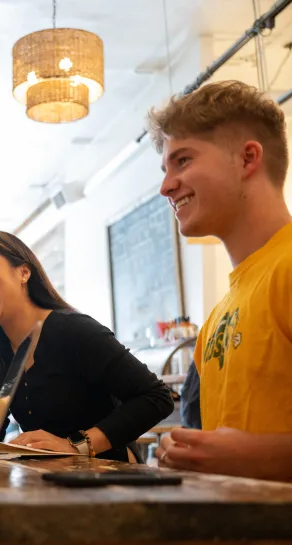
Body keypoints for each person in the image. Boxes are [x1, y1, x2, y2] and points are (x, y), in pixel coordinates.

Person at [0, 231, 174, 462]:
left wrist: (76, 445)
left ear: (23, 272)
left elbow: (156, 397)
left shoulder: (73, 329)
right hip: (47, 481)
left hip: (108, 475)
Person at [150, 81, 292, 481]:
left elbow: (242, 455)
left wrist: (250, 457)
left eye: (183, 161)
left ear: (248, 159)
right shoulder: (217, 316)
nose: (165, 186)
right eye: (166, 168)